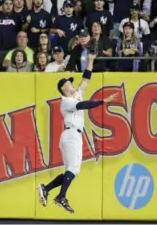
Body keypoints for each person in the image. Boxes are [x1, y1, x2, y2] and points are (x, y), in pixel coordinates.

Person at [37, 53, 117, 213]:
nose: (73, 85)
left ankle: (46, 189)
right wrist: (104, 101)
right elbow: (83, 105)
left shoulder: (75, 96)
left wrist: (91, 60)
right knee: (74, 170)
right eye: (69, 84)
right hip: (72, 135)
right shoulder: (66, 101)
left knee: (69, 171)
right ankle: (61, 197)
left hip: (70, 136)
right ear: (64, 88)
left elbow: (86, 79)